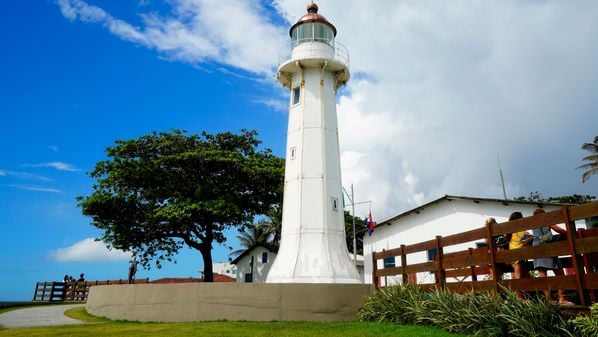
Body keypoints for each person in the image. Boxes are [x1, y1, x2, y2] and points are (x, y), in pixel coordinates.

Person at [531, 208, 573, 305]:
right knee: (560, 274)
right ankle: (562, 299)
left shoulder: (532, 224)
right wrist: (566, 233)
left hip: (535, 247)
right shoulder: (545, 220)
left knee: (542, 275)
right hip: (547, 247)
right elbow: (559, 230)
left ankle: (548, 300)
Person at [508, 212, 533, 289]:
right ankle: (519, 297)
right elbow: (530, 237)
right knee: (518, 276)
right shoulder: (522, 232)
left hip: (512, 253)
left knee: (523, 275)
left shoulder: (511, 231)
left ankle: (522, 296)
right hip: (519, 254)